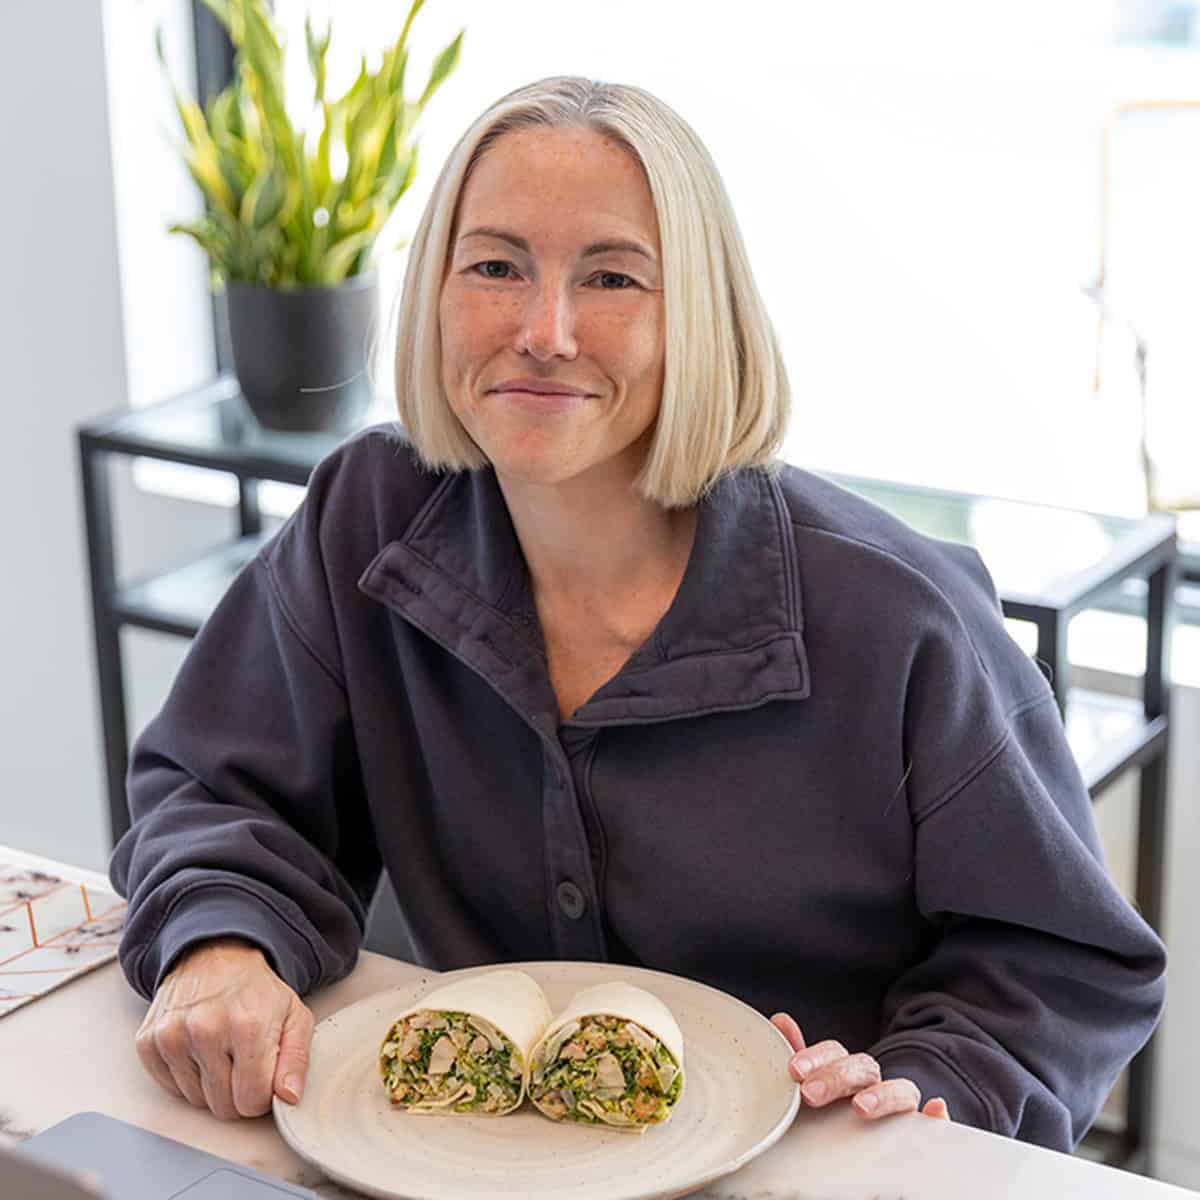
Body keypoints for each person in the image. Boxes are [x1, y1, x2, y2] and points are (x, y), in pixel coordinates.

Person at [109, 75, 1166, 1147]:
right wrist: (220, 945)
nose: (544, 329)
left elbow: (1062, 963)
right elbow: (212, 781)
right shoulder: (367, 514)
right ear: (433, 290)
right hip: (467, 1154)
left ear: (699, 317)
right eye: (495, 266)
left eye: (612, 277)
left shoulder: (902, 621)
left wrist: (935, 1086)